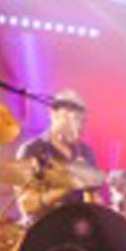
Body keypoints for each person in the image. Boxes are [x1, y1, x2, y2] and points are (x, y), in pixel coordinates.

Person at [13, 91, 100, 219]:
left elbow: (92, 203)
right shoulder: (32, 150)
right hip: (43, 229)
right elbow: (26, 206)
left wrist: (91, 191)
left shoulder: (86, 152)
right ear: (54, 115)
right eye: (73, 118)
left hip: (76, 229)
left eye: (82, 121)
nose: (78, 126)